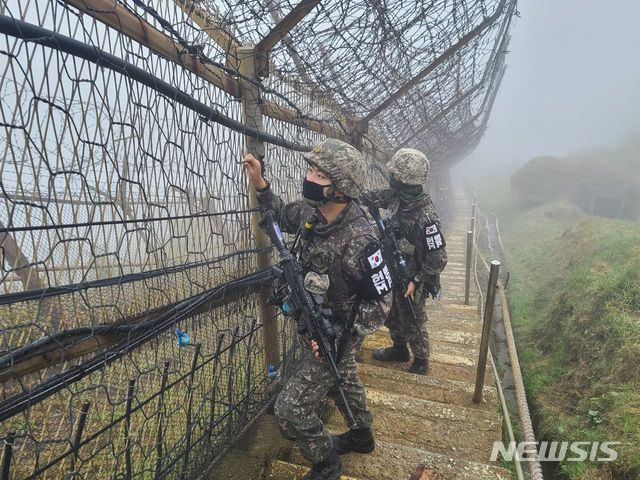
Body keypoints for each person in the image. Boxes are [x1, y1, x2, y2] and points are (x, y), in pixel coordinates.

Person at [242, 139, 392, 480]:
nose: (310, 177)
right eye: (310, 169)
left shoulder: (360, 240)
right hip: (317, 324)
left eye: (320, 174)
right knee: (347, 377)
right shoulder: (314, 212)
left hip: (336, 336)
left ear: (341, 188)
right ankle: (361, 435)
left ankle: (326, 462)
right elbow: (281, 214)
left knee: (290, 410)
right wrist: (260, 182)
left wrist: (337, 339)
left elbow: (382, 303)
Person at [360, 148, 447, 375]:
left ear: (403, 179)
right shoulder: (395, 196)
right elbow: (367, 197)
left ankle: (421, 360)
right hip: (390, 268)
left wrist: (417, 280)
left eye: (395, 174)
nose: (392, 177)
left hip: (413, 276)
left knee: (412, 317)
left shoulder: (426, 217)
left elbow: (438, 258)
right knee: (391, 312)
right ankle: (399, 349)